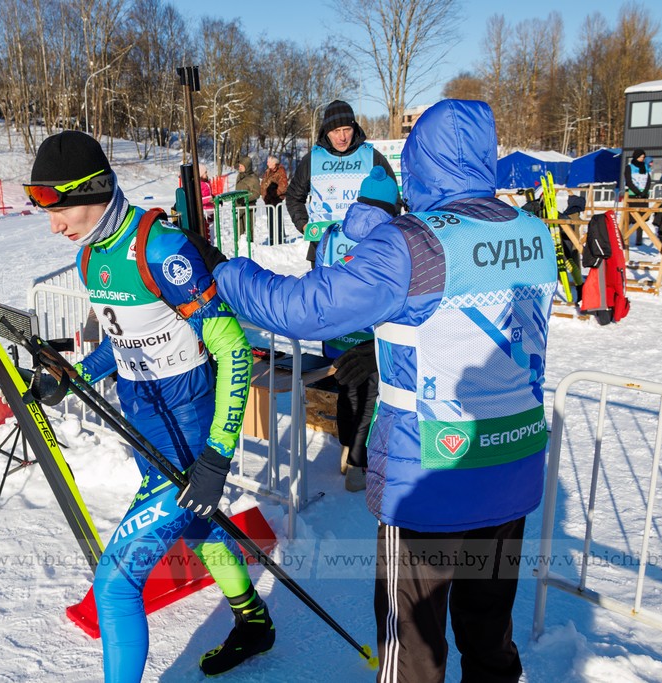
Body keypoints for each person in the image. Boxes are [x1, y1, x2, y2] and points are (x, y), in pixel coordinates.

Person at [205, 100, 558, 682]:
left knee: (411, 652)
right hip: (512, 465)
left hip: (430, 477)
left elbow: (307, 307)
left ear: (420, 164)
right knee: (489, 636)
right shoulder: (533, 232)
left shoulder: (414, 244)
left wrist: (225, 272)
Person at [23, 131, 273, 681]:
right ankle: (254, 622)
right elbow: (122, 342)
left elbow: (233, 350)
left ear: (96, 190)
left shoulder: (159, 249)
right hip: (144, 421)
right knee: (198, 528)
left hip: (188, 429)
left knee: (116, 583)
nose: (54, 225)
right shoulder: (90, 257)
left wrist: (215, 456)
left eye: (60, 209)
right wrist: (71, 378)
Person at [315, 166, 398, 492]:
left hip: (335, 334)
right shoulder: (391, 238)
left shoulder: (333, 234)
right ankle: (356, 464)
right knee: (369, 400)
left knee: (346, 390)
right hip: (369, 338)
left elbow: (319, 277)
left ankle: (346, 450)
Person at [284, 99, 397, 265]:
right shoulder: (313, 159)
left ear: (354, 128)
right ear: (326, 131)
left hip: (364, 251)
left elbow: (393, 199)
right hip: (323, 249)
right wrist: (304, 225)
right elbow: (294, 196)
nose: (342, 137)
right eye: (336, 131)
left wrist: (380, 231)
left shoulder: (372, 156)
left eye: (347, 130)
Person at [623, 149, 651, 246]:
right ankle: (623, 237)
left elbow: (648, 181)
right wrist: (637, 192)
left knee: (641, 218)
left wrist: (644, 192)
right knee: (628, 218)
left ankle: (639, 239)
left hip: (643, 195)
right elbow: (629, 181)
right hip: (632, 195)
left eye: (643, 157)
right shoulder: (629, 167)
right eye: (640, 157)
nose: (641, 159)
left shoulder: (646, 167)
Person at [234, 156, 261, 236]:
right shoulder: (239, 176)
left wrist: (245, 198)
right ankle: (239, 243)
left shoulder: (253, 178)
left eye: (242, 166)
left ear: (247, 166)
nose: (239, 167)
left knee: (249, 230)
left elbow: (256, 193)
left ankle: (250, 243)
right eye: (239, 165)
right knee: (239, 230)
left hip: (249, 207)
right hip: (239, 207)